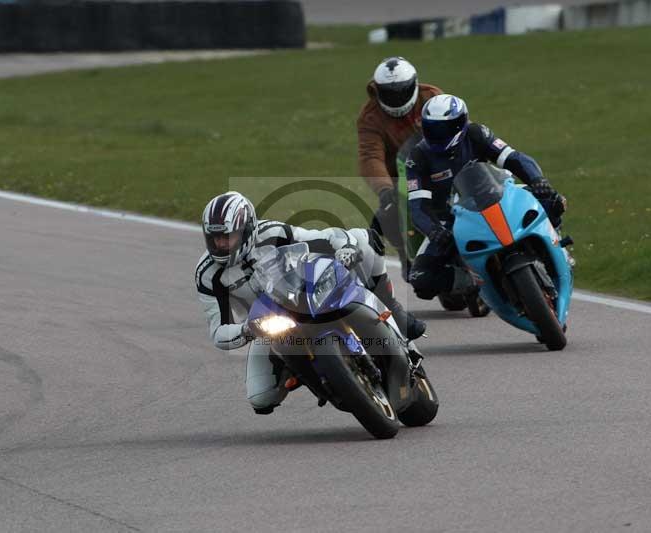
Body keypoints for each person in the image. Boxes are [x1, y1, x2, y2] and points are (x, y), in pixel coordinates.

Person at [195, 191, 425, 415]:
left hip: (302, 294)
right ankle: (305, 374)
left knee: (362, 239)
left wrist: (345, 247)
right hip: (267, 326)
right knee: (260, 398)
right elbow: (219, 332)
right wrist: (247, 329)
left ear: (246, 230)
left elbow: (322, 236)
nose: (220, 244)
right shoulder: (207, 274)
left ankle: (393, 311)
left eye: (227, 237)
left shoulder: (272, 232)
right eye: (214, 238)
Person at [405, 94, 567, 300]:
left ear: (461, 123)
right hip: (449, 218)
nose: (438, 134)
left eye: (445, 128)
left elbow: (514, 158)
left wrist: (538, 180)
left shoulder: (476, 133)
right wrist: (434, 231)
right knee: (420, 279)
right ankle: (473, 280)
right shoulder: (417, 157)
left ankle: (555, 248)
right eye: (432, 128)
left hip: (492, 197)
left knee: (552, 200)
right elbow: (417, 206)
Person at [357, 56, 443, 281]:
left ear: (414, 85)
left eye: (402, 91)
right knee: (385, 215)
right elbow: (370, 156)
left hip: (441, 165)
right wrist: (385, 190)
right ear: (378, 91)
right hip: (401, 177)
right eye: (389, 93)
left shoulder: (431, 96)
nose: (396, 98)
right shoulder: (370, 117)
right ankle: (407, 254)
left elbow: (456, 125)